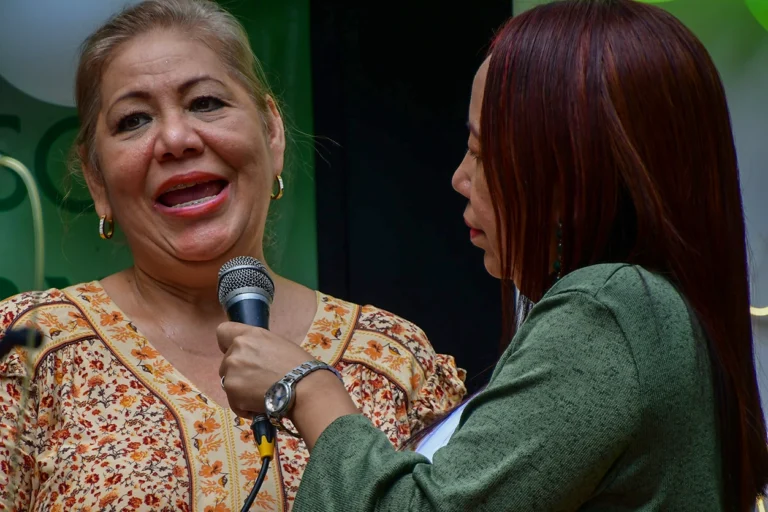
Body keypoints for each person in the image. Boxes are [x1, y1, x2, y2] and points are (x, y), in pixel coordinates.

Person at [216, 0, 768, 510]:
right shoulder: (654, 311)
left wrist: (309, 387)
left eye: (484, 151)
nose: (459, 178)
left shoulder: (611, 309)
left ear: (572, 177)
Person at [0, 1, 466, 510]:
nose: (176, 139)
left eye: (205, 103)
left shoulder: (394, 359)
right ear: (97, 182)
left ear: (272, 132)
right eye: (133, 120)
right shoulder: (28, 349)